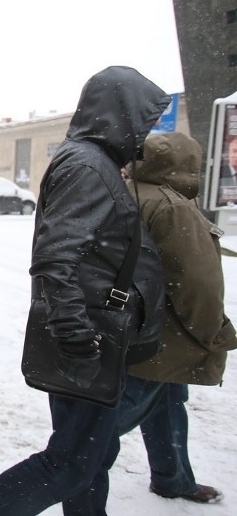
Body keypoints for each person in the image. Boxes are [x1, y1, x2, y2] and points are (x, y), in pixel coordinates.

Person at [0, 65, 172, 515]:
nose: (147, 130)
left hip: (93, 328)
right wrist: (75, 337)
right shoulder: (87, 165)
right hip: (87, 333)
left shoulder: (93, 161)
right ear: (121, 114)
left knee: (91, 457)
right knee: (70, 463)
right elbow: (56, 258)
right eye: (145, 119)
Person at [118, 131, 236, 504]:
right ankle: (61, 463)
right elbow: (196, 281)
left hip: (137, 324)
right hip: (167, 329)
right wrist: (211, 332)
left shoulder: (129, 192)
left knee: (167, 403)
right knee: (113, 417)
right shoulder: (171, 206)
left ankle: (174, 478)